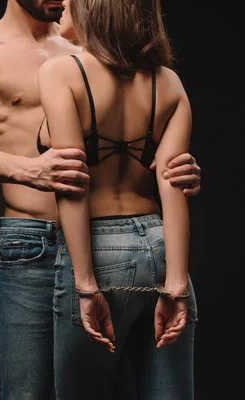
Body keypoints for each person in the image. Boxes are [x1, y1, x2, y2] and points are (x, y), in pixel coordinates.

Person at [0, 1, 202, 398]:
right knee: (25, 392)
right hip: (31, 244)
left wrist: (176, 169)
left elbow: (134, 134)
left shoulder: (86, 47)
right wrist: (26, 170)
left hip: (102, 245)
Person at [37, 0, 198, 399]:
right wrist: (176, 285)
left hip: (98, 249)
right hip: (162, 245)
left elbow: (72, 183)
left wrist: (86, 285)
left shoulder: (62, 73)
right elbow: (173, 186)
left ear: (94, 10)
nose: (63, 5)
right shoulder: (169, 83)